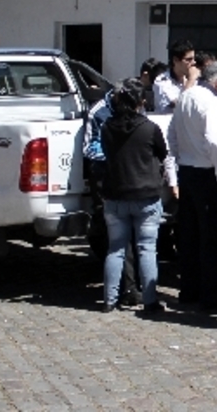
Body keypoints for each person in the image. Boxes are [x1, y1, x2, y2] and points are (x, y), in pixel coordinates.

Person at [168, 61, 217, 311]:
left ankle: (189, 289)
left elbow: (172, 134)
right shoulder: (209, 102)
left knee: (190, 235)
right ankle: (211, 295)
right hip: (208, 174)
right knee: (213, 238)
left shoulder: (186, 97)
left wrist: (179, 159)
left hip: (188, 171)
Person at [100, 78, 168, 313]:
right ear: (141, 102)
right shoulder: (149, 128)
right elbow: (163, 153)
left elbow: (106, 153)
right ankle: (150, 300)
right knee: (147, 248)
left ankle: (109, 300)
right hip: (146, 194)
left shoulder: (107, 126)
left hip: (115, 194)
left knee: (115, 248)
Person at [83, 88, 142, 306]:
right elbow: (89, 148)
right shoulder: (99, 114)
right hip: (108, 176)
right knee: (119, 239)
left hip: (129, 177)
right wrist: (116, 156)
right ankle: (123, 290)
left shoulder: (138, 116)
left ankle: (125, 290)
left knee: (129, 239)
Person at [153, 39, 196, 114]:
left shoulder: (193, 79)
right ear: (175, 60)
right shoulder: (162, 81)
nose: (193, 63)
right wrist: (191, 80)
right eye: (188, 60)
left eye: (193, 59)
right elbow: (179, 105)